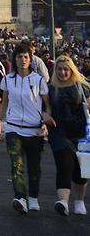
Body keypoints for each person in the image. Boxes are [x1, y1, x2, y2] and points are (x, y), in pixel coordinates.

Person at [0, 42, 53, 215]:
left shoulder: (39, 80)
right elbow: (4, 104)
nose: (23, 60)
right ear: (15, 59)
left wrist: (45, 122)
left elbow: (47, 106)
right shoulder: (7, 80)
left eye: (26, 57)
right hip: (13, 129)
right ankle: (21, 198)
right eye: (19, 56)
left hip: (34, 130)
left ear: (30, 59)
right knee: (16, 166)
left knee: (34, 167)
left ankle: (33, 197)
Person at [47, 55, 90, 216]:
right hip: (59, 133)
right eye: (59, 69)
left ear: (71, 70)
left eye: (66, 69)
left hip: (81, 134)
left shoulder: (81, 85)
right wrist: (45, 115)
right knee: (64, 166)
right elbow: (44, 106)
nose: (62, 72)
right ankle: (63, 202)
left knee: (80, 171)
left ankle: (79, 201)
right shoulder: (50, 87)